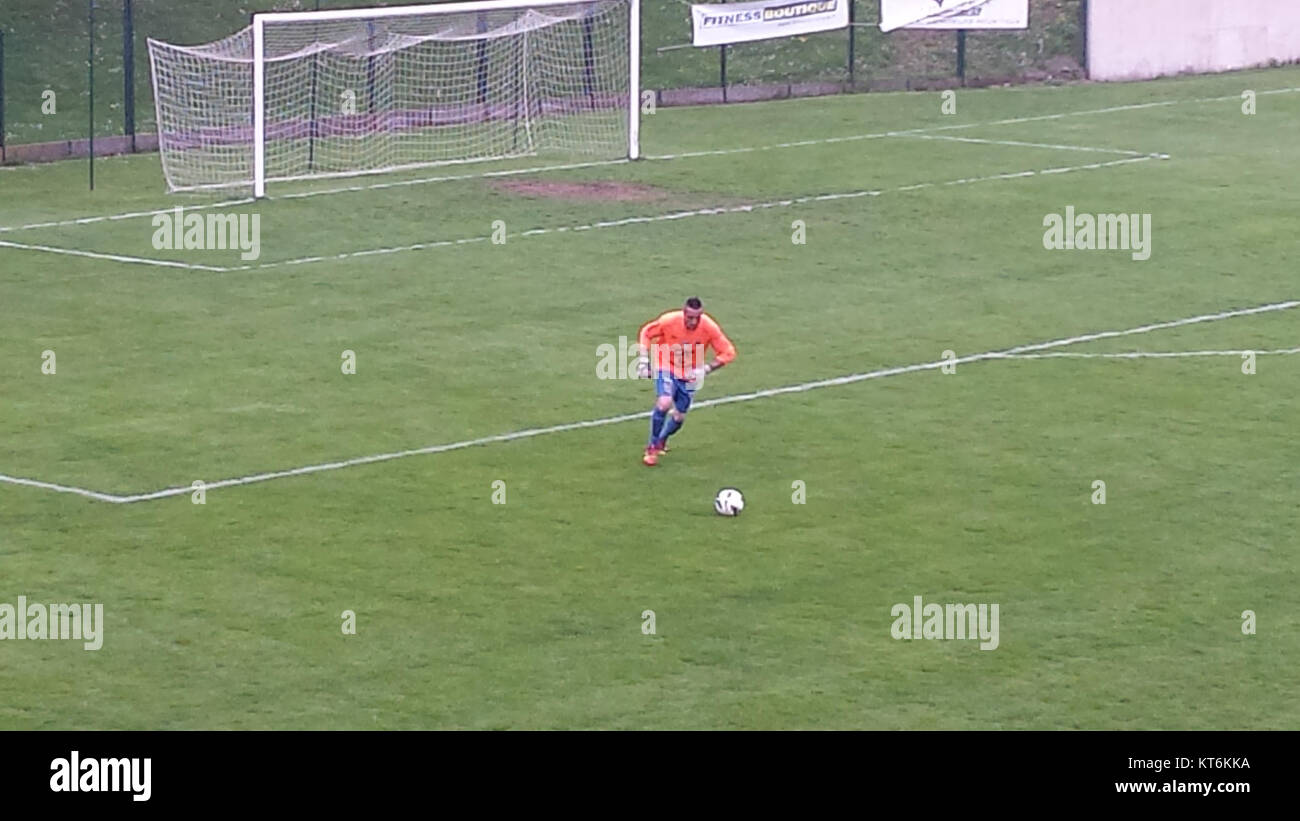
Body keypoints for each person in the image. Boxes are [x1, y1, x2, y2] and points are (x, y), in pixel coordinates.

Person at [635, 297, 736, 466]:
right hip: (665, 365)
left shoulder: (709, 328)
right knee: (664, 402)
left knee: (679, 416)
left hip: (689, 373)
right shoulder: (669, 321)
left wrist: (706, 369)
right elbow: (646, 332)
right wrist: (644, 360)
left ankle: (662, 440)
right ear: (684, 313)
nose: (693, 321)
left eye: (697, 317)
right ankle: (651, 448)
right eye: (689, 317)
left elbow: (728, 352)